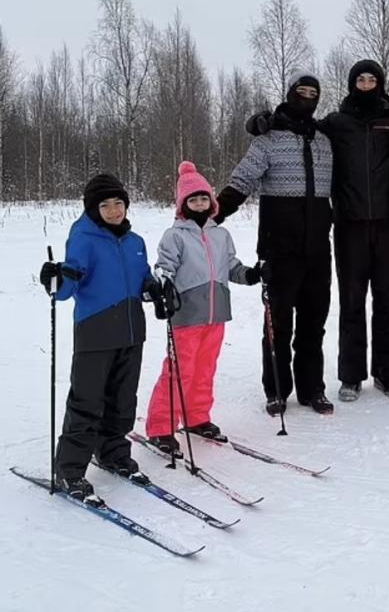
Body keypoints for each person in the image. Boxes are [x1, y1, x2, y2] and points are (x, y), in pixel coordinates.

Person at [246, 59, 389, 402]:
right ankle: (350, 376)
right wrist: (262, 121)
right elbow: (298, 125)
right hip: (349, 225)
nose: (365, 83)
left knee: (388, 301)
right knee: (351, 302)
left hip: (388, 224)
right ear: (352, 84)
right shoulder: (336, 123)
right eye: (359, 78)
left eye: (371, 78)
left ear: (380, 82)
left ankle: (388, 373)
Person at [215, 71, 335, 416]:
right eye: (302, 91)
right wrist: (213, 215)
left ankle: (313, 389)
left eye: (313, 92)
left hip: (317, 248)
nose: (307, 96)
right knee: (278, 325)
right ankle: (277, 390)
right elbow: (243, 180)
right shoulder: (268, 138)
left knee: (314, 324)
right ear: (291, 93)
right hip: (279, 248)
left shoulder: (324, 140)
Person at [39, 173, 161, 504]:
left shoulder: (135, 242)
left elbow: (143, 276)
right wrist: (54, 278)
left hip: (132, 331)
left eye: (118, 203)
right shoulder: (83, 238)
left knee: (123, 399)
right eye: (104, 205)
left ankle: (113, 453)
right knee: (87, 401)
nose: (113, 210)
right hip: (95, 331)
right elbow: (66, 288)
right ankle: (69, 469)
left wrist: (152, 288)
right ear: (93, 209)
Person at [145, 161, 262, 455]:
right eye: (193, 199)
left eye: (203, 198)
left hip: (216, 313)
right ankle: (161, 426)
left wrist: (250, 275)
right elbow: (165, 267)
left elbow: (230, 266)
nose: (199, 203)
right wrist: (164, 284)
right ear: (183, 204)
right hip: (186, 314)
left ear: (212, 202)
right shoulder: (175, 235)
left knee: (205, 369)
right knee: (178, 371)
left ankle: (197, 418)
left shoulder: (220, 234)